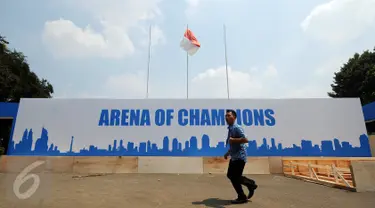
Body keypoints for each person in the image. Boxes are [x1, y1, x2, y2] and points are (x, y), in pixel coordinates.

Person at [224, 109, 258, 204]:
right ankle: (249, 186)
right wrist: (228, 153)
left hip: (240, 157)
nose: (226, 117)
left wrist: (233, 140)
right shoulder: (230, 128)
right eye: (226, 116)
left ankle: (245, 192)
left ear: (234, 117)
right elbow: (233, 144)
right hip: (234, 156)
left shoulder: (236, 127)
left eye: (228, 115)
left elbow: (245, 139)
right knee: (230, 175)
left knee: (235, 177)